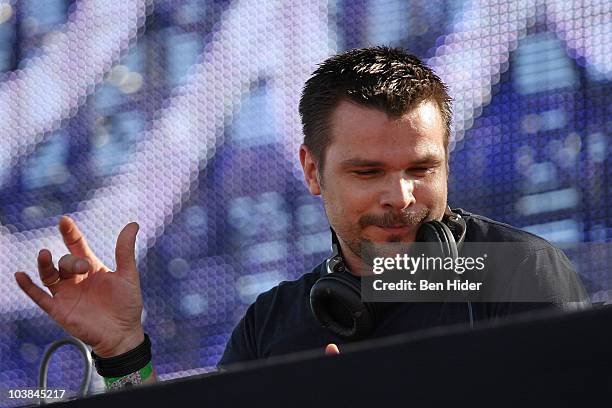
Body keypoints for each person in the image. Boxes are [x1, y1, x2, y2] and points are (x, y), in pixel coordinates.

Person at [14, 46, 589, 390]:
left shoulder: (516, 272)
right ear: (312, 173)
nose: (402, 195)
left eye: (422, 167)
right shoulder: (273, 322)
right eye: (367, 173)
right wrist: (122, 353)